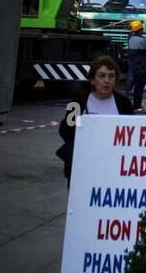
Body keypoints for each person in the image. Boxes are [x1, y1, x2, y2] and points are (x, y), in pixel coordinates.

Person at [55, 55, 133, 183]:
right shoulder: (78, 100)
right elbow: (65, 131)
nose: (106, 80)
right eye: (101, 76)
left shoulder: (124, 103)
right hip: (83, 165)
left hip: (114, 167)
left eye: (111, 76)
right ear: (92, 80)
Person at [126, 20, 146, 112]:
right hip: (142, 67)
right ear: (140, 30)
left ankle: (130, 105)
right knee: (139, 88)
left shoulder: (130, 39)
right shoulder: (142, 40)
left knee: (131, 86)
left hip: (133, 66)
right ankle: (137, 106)